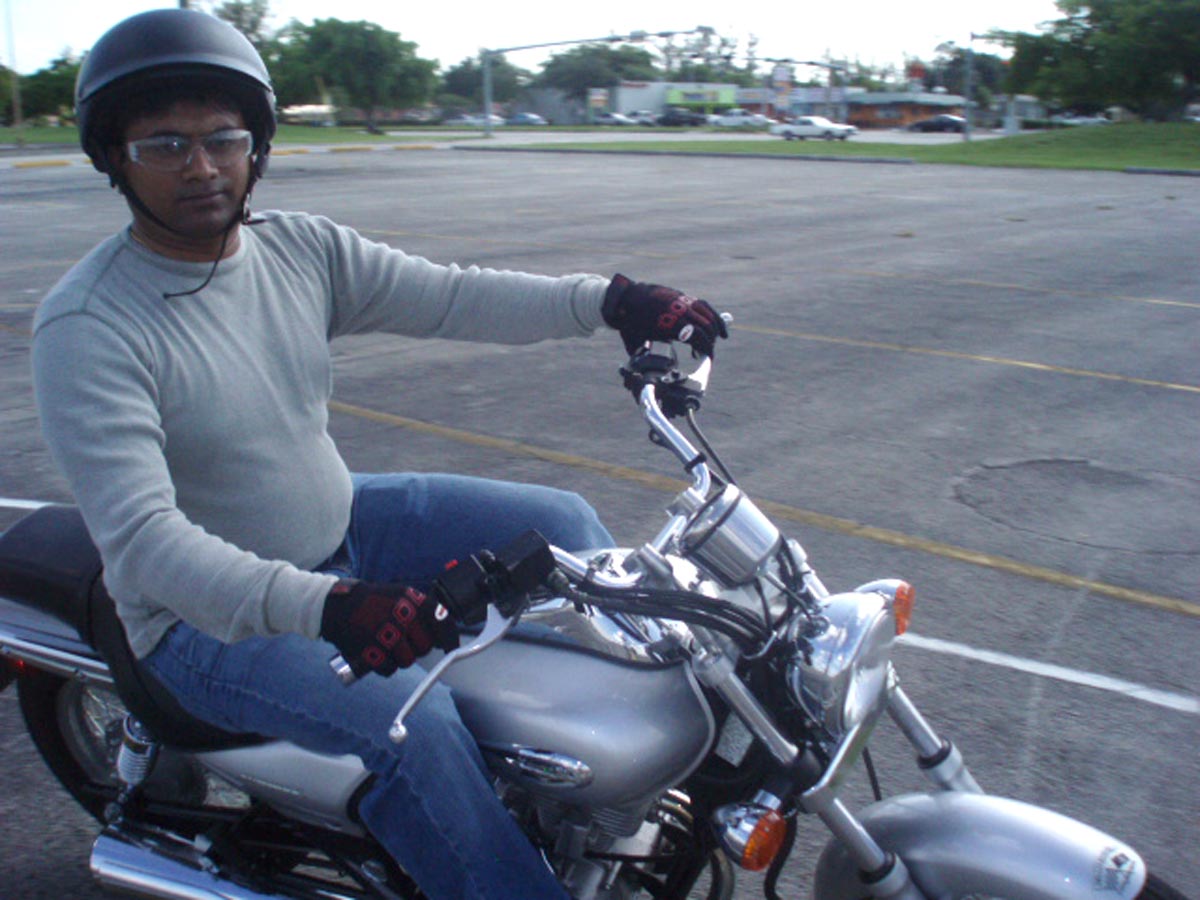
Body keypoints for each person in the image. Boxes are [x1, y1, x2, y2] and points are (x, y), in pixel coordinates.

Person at [30, 9, 727, 900]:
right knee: (408, 725)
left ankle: (582, 782)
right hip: (199, 622)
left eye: (222, 139)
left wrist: (612, 301)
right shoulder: (89, 324)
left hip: (340, 520)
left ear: (256, 147)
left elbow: (451, 297)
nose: (200, 167)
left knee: (563, 524)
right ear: (114, 159)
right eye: (164, 145)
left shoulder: (296, 249)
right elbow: (146, 546)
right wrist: (332, 609)